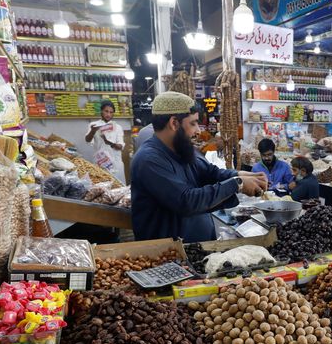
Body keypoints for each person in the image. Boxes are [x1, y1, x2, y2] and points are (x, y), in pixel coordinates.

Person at [130, 91, 268, 242]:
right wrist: (238, 185)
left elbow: (210, 173)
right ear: (174, 123)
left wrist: (243, 175)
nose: (198, 131)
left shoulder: (182, 149)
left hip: (197, 245)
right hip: (167, 254)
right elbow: (186, 201)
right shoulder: (149, 159)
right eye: (193, 123)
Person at [86, 100, 126, 183]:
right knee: (101, 188)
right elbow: (87, 140)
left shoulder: (118, 127)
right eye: (106, 111)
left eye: (111, 112)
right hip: (100, 161)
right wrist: (93, 131)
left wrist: (109, 143)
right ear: (101, 111)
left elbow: (120, 146)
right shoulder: (94, 125)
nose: (108, 114)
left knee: (118, 188)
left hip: (116, 163)